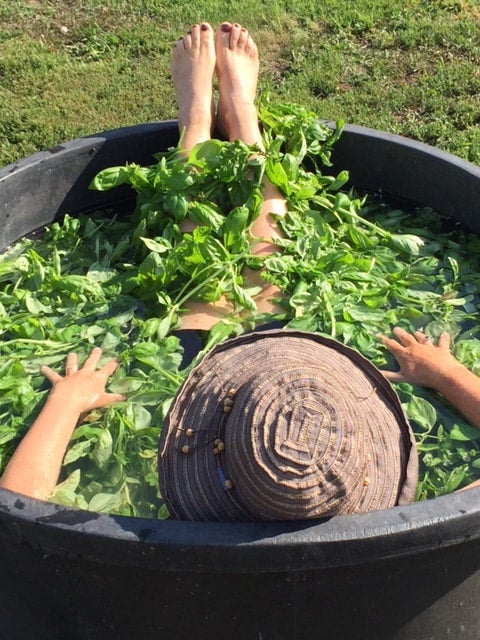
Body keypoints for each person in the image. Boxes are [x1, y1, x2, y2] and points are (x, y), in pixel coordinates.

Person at [1, 22, 480, 514]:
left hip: (207, 361)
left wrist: (66, 401)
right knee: (268, 258)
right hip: (296, 388)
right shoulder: (381, 539)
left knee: (213, 262)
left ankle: (198, 121)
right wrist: (446, 375)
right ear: (366, 469)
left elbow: (18, 505)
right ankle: (242, 116)